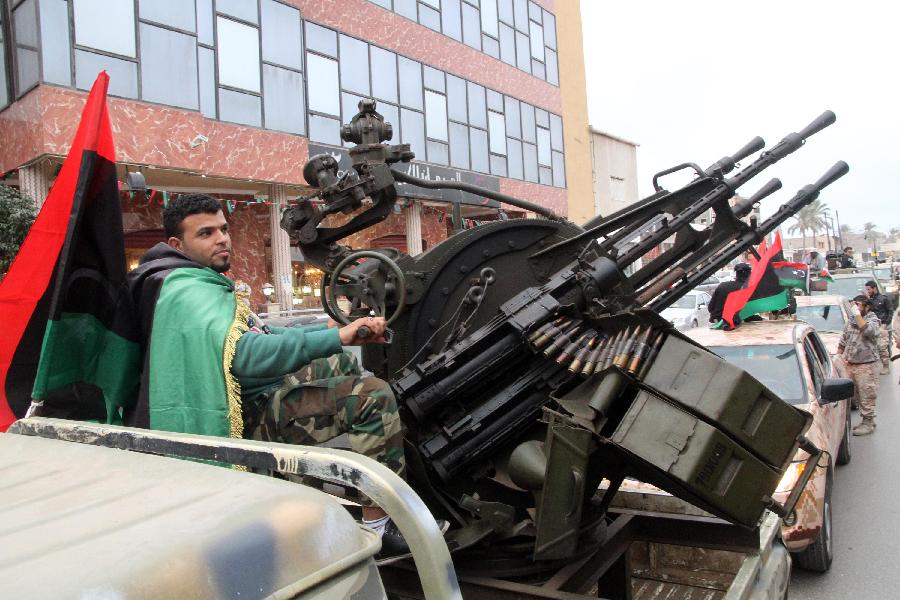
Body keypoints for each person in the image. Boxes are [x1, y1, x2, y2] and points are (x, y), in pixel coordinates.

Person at [126, 194, 416, 553]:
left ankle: (339, 477)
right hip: (242, 416)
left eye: (224, 229)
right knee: (370, 396)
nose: (222, 239)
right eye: (206, 233)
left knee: (341, 363)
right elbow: (245, 357)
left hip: (257, 393)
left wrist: (332, 331)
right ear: (177, 244)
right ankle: (379, 527)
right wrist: (339, 335)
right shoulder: (187, 290)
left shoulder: (195, 281)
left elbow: (264, 334)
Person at [837, 295, 881, 435]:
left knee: (866, 394)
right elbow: (844, 339)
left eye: (858, 305)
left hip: (866, 365)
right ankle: (866, 421)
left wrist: (856, 314)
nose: (855, 307)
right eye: (854, 305)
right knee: (854, 395)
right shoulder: (851, 321)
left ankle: (868, 422)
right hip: (851, 363)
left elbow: (868, 331)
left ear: (867, 307)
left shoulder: (873, 320)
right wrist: (838, 355)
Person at [865, 280, 892, 374]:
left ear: (874, 288)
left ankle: (886, 366)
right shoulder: (869, 300)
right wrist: (867, 299)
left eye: (869, 289)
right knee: (870, 347)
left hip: (881, 325)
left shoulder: (884, 298)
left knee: (882, 347)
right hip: (871, 326)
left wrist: (886, 324)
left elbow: (890, 311)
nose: (867, 291)